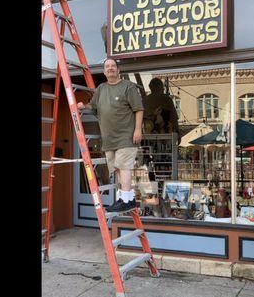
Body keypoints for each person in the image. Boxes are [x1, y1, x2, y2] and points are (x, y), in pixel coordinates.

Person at [77, 58, 144, 213]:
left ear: (118, 70)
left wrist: (138, 130)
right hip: (109, 139)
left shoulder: (128, 87)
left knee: (124, 166)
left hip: (126, 136)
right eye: (107, 67)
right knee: (118, 169)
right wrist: (83, 106)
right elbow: (93, 106)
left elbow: (139, 109)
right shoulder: (101, 88)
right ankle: (126, 198)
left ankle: (127, 200)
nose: (110, 68)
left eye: (113, 66)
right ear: (104, 71)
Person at [143, 77, 180, 143]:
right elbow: (173, 118)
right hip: (165, 136)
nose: (163, 88)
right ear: (159, 87)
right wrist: (178, 132)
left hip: (147, 136)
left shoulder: (144, 100)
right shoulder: (166, 98)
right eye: (162, 87)